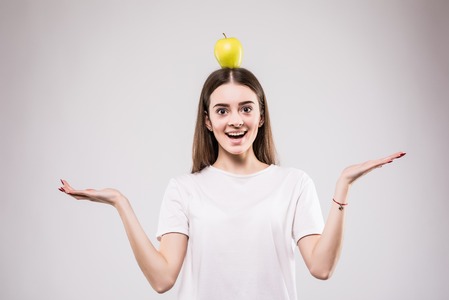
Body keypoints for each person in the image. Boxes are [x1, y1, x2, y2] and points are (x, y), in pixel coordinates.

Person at [59, 68, 405, 300]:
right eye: (222, 111)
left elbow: (322, 267)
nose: (235, 120)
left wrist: (343, 186)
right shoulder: (184, 189)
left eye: (246, 108)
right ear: (207, 121)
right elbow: (162, 279)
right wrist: (121, 202)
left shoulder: (294, 184)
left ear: (261, 115)